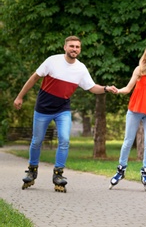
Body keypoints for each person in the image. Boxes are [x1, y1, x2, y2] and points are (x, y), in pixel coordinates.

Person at [13, 35, 116, 192]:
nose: (74, 49)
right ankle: (32, 170)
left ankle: (58, 174)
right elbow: (34, 78)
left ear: (80, 50)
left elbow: (91, 87)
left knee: (65, 139)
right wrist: (20, 96)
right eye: (72, 46)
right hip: (43, 108)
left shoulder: (80, 68)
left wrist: (105, 88)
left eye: (77, 47)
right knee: (37, 141)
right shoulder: (52, 61)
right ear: (65, 47)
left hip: (62, 110)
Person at [109, 43, 146, 191]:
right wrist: (118, 91)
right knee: (128, 141)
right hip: (135, 110)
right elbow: (128, 88)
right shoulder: (140, 70)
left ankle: (145, 173)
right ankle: (121, 170)